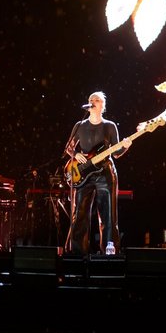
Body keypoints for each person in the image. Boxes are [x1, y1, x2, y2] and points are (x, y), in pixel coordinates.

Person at [63, 91, 132, 256]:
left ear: (103, 106)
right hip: (83, 174)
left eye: (97, 100)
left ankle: (109, 254)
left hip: (105, 174)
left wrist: (126, 145)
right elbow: (68, 147)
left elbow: (116, 152)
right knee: (79, 215)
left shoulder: (109, 126)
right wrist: (75, 154)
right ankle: (78, 255)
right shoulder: (79, 125)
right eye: (91, 100)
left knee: (108, 217)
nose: (93, 102)